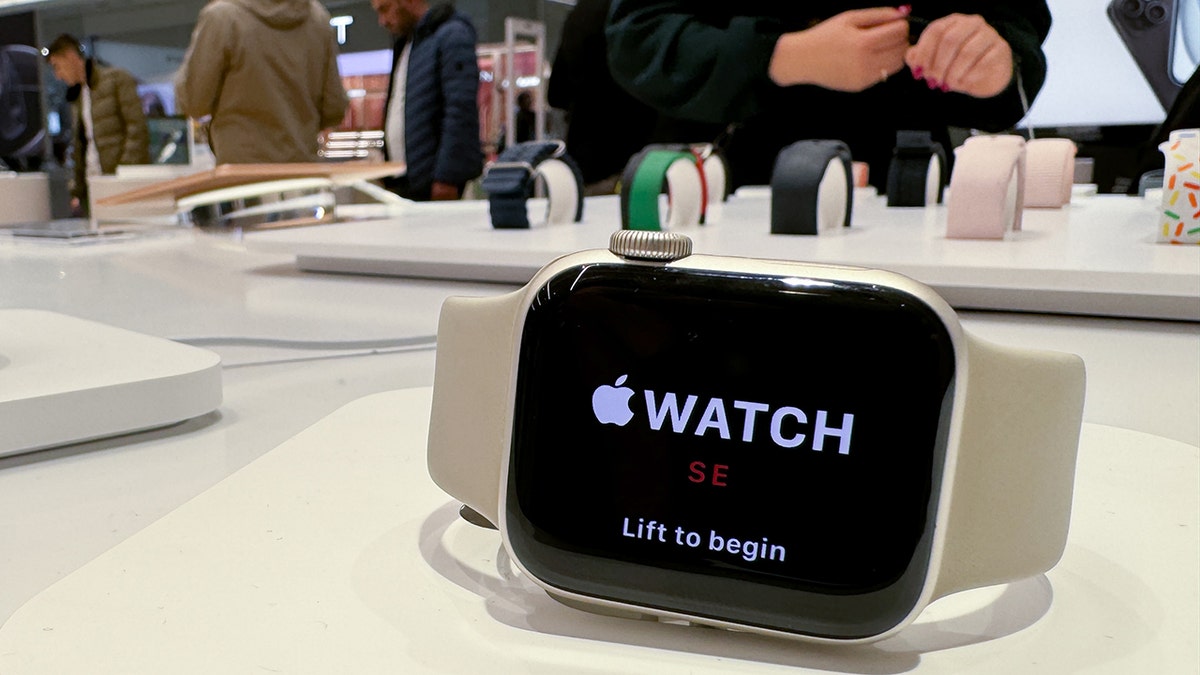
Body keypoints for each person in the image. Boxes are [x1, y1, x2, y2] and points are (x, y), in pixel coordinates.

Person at [606, 3, 1051, 190]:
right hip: (719, 190)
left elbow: (1018, 38)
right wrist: (784, 56)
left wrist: (995, 61)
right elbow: (638, 38)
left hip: (907, 197)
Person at [175, 0, 348, 164]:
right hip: (302, 169)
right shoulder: (318, 19)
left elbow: (194, 101)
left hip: (241, 171)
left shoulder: (223, 17)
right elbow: (334, 107)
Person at [371, 0, 483, 201]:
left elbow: (460, 110)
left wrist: (447, 177)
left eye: (385, 9)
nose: (382, 21)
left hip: (435, 184)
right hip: (404, 180)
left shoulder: (452, 36)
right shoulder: (406, 45)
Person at [548, 0, 656, 195]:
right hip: (640, 163)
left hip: (584, 161)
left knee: (590, 223)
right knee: (641, 223)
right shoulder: (643, 11)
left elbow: (556, 94)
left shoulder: (579, 15)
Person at [45, 34, 150, 212]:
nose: (57, 75)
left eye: (57, 66)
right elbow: (80, 146)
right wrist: (77, 190)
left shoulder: (117, 79)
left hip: (118, 182)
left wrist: (123, 173)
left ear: (71, 56)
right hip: (93, 185)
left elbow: (137, 129)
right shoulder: (77, 97)